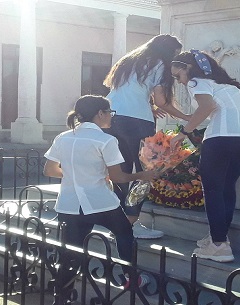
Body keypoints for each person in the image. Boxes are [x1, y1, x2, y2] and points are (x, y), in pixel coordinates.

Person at [43, 95, 158, 304]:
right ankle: (130, 277)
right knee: (124, 232)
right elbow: (119, 177)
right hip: (100, 201)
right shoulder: (106, 140)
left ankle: (61, 297)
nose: (111, 117)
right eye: (110, 113)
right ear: (100, 113)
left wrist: (75, 174)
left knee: (71, 252)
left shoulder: (63, 137)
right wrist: (143, 175)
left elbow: (50, 170)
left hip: (69, 204)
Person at [170, 49, 240, 262]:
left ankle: (219, 245)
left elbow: (207, 107)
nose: (178, 81)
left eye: (177, 76)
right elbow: (212, 110)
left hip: (222, 137)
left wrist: (183, 133)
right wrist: (188, 120)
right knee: (226, 187)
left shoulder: (196, 81)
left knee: (213, 189)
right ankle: (219, 237)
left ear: (188, 68)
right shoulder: (225, 85)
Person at [103, 34, 191, 239]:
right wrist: (187, 116)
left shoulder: (129, 60)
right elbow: (162, 101)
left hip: (110, 118)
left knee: (120, 173)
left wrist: (147, 105)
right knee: (145, 173)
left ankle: (118, 224)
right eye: (175, 53)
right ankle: (130, 224)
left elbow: (127, 91)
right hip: (137, 122)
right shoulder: (160, 63)